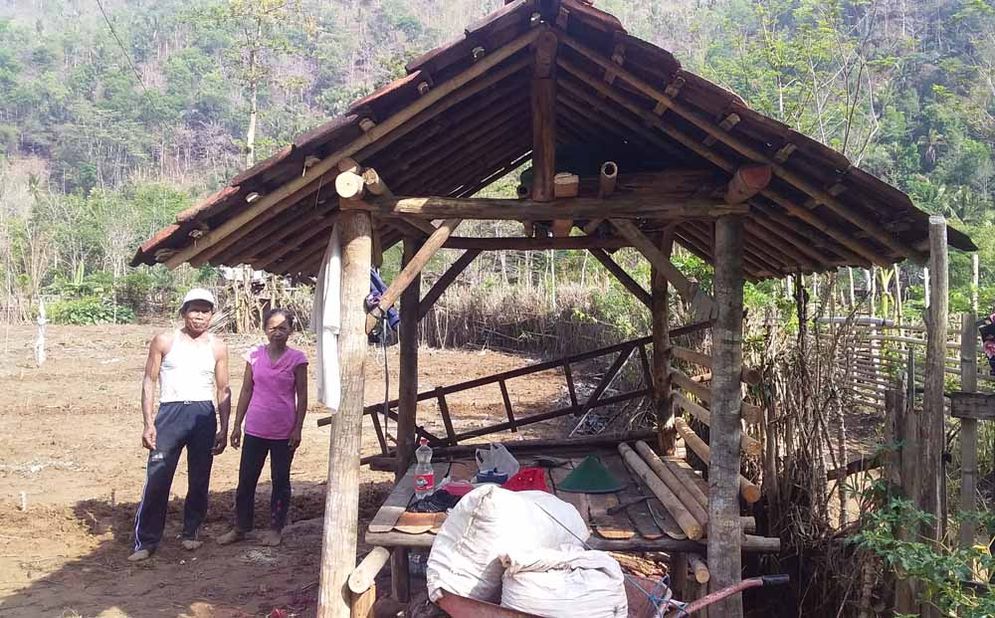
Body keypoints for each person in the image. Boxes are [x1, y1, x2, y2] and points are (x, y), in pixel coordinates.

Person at [130, 288, 230, 562]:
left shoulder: (217, 347)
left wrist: (224, 427)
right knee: (158, 478)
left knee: (199, 478)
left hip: (203, 415)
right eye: (194, 310)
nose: (200, 316)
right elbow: (149, 380)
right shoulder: (164, 341)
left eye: (205, 311)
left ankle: (191, 532)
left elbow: (223, 389)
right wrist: (148, 422)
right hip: (170, 413)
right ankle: (146, 541)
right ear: (184, 312)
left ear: (212, 315)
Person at [218, 308, 308, 547]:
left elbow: (302, 395)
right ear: (264, 329)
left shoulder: (298, 359)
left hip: (284, 431)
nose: (277, 332)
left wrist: (298, 428)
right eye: (272, 328)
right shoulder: (254, 356)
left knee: (280, 480)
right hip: (255, 428)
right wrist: (237, 425)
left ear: (291, 330)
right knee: (246, 480)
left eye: (283, 328)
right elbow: (247, 390)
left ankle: (276, 529)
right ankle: (240, 527)